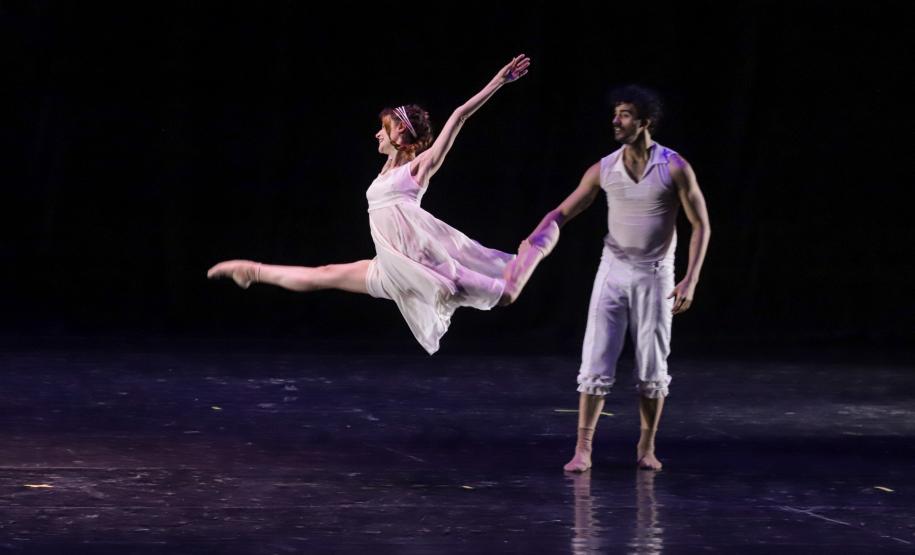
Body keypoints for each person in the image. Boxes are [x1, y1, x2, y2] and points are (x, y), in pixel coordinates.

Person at [207, 55, 531, 355]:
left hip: (415, 267)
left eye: (383, 128)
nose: (377, 134)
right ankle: (252, 271)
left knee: (500, 293)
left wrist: (498, 81)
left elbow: (459, 117)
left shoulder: (416, 170)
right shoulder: (384, 173)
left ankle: (531, 254)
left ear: (400, 130)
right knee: (326, 274)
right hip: (388, 269)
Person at [505, 85, 710, 471]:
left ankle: (646, 447)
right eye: (615, 114)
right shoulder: (604, 169)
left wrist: (691, 279)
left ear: (644, 122)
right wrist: (534, 238)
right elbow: (563, 211)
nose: (616, 121)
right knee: (596, 359)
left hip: (655, 276)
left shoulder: (674, 166)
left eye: (626, 115)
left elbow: (701, 224)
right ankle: (583, 449)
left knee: (652, 367)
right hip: (613, 271)